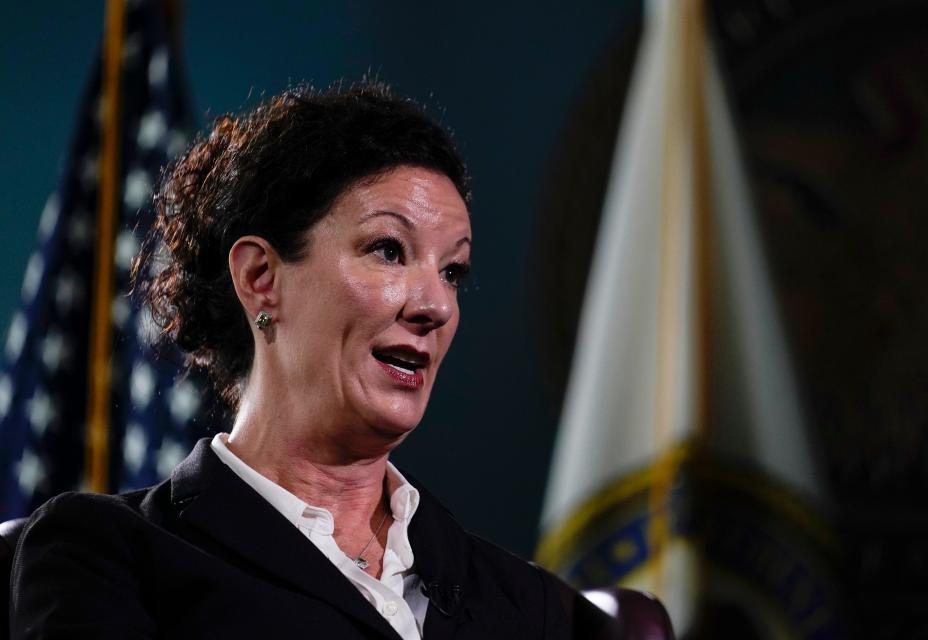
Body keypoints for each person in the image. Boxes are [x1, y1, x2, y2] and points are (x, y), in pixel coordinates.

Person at [10, 82, 577, 639]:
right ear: (261, 280)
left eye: (452, 272)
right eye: (387, 250)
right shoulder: (107, 556)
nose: (435, 305)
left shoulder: (528, 602)